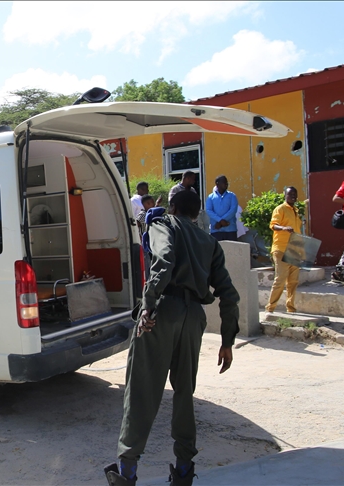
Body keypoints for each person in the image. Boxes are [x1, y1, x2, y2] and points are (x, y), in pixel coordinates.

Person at [104, 190, 240, 486]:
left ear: (173, 207)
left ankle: (126, 472)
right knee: (184, 393)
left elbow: (163, 259)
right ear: (197, 213)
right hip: (194, 318)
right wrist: (227, 341)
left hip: (162, 311)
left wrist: (148, 304)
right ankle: (183, 470)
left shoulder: (162, 223)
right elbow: (229, 294)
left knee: (142, 391)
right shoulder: (210, 242)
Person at [265, 187, 302, 314]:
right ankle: (270, 308)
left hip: (294, 249)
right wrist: (284, 228)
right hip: (281, 248)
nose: (293, 196)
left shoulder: (296, 210)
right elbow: (273, 225)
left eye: (295, 194)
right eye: (290, 194)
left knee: (293, 281)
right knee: (280, 279)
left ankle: (291, 308)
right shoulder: (280, 209)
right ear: (285, 195)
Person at [205, 175, 238, 242]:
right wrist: (220, 220)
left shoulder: (232, 196)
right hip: (216, 230)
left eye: (227, 183)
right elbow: (209, 210)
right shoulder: (211, 197)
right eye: (224, 182)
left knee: (232, 248)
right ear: (217, 183)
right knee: (217, 248)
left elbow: (233, 210)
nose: (226, 184)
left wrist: (221, 222)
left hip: (230, 230)